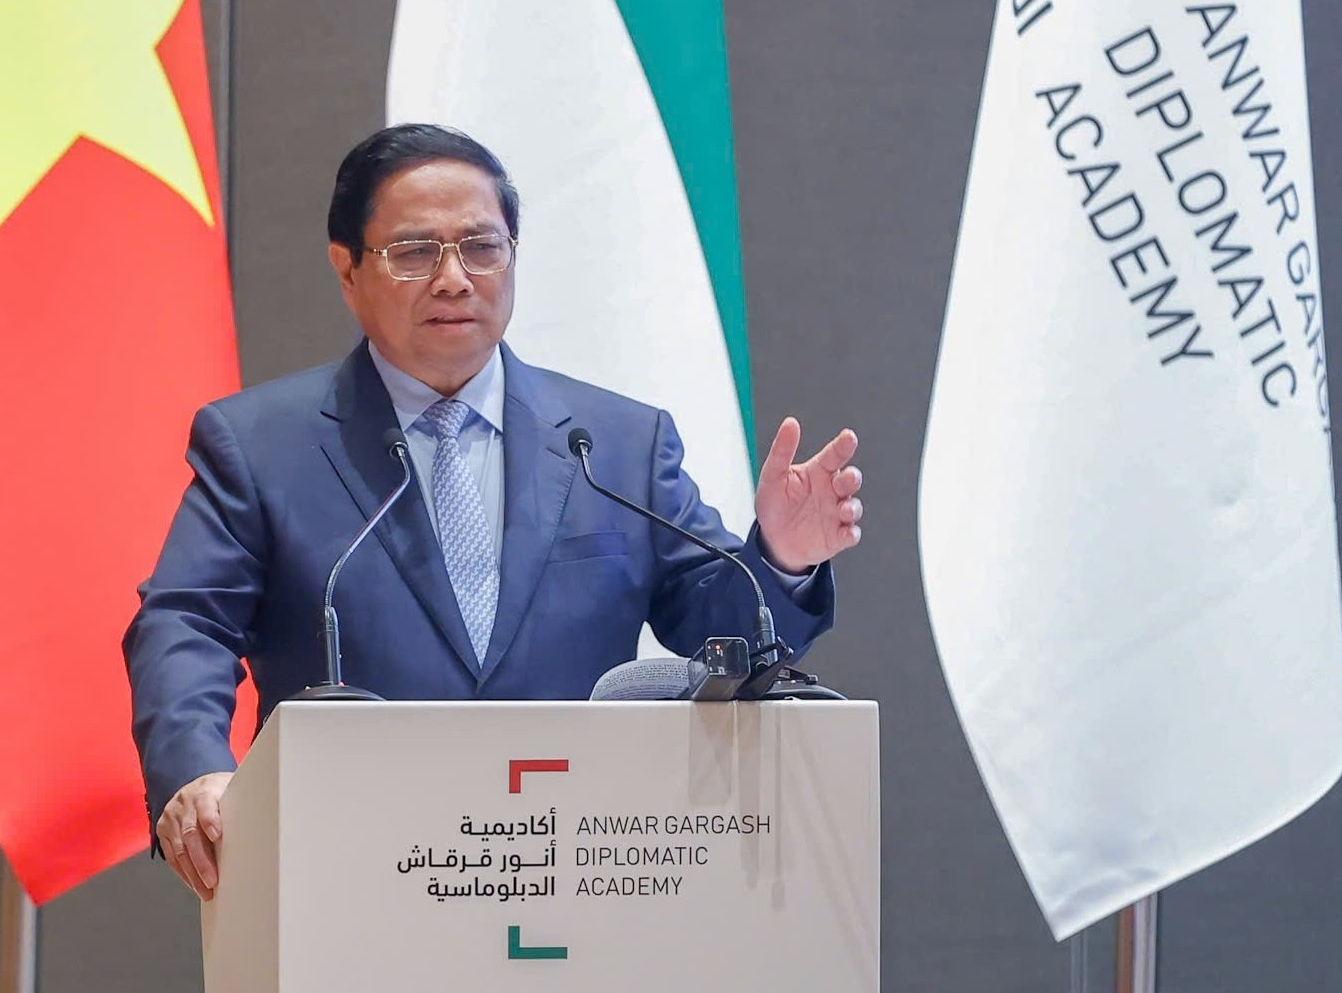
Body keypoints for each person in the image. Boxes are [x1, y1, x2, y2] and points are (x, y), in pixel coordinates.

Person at [122, 124, 865, 900]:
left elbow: (719, 629)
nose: (454, 279)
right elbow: (185, 621)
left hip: (579, 869)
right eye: (414, 252)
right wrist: (196, 769)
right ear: (346, 269)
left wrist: (781, 557)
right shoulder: (261, 444)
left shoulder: (616, 443)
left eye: (482, 247)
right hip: (345, 876)